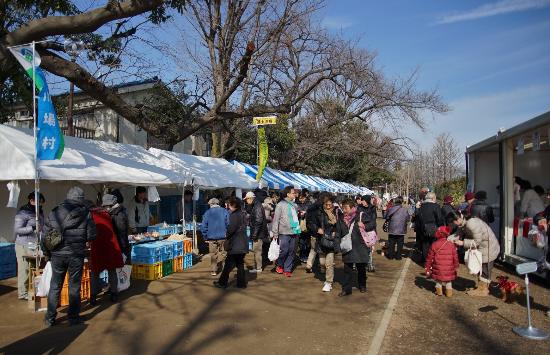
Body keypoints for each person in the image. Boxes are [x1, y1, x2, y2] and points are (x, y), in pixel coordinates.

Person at [44, 187, 96, 327]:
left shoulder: (54, 211)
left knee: (55, 285)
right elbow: (92, 235)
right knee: (74, 286)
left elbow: (45, 236)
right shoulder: (86, 213)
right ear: (81, 199)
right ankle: (73, 317)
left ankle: (50, 318)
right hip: (76, 254)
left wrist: (47, 254)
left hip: (57, 254)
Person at [449, 211, 500, 297]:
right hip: (483, 248)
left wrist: (462, 243)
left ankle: (483, 290)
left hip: (488, 248)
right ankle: (481, 287)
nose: (455, 224)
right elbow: (458, 233)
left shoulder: (471, 224)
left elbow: (477, 241)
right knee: (481, 268)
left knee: (485, 268)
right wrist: (447, 240)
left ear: (459, 218)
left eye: (454, 221)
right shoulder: (463, 223)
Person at [89, 194, 125, 305]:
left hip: (97, 245)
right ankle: (114, 294)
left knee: (95, 272)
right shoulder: (107, 215)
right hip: (110, 246)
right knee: (111, 270)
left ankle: (93, 297)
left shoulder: (91, 215)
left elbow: (89, 232)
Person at [14, 191, 45, 300]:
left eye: (41, 202)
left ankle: (32, 290)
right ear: (31, 200)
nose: (40, 204)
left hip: (34, 244)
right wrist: (32, 228)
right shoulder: (23, 213)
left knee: (34, 267)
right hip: (23, 244)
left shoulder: (39, 212)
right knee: (25, 269)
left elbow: (42, 227)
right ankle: (22, 293)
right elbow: (17, 229)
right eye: (38, 202)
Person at [337, 199, 371, 296]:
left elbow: (372, 225)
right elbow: (338, 233)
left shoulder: (361, 215)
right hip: (347, 247)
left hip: (360, 247)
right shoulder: (341, 219)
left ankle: (362, 285)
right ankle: (346, 289)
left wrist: (364, 225)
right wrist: (336, 246)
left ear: (352, 208)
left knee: (361, 268)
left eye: (346, 208)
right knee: (347, 269)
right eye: (342, 208)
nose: (344, 210)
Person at [214, 197, 248, 289]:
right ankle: (241, 283)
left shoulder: (234, 215)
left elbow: (230, 230)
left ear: (232, 205)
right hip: (242, 243)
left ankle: (222, 283)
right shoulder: (242, 213)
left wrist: (224, 233)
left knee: (228, 264)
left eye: (229, 204)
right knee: (240, 264)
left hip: (236, 244)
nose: (228, 206)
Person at [309, 195, 339, 292]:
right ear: (324, 204)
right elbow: (311, 223)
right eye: (327, 204)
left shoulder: (337, 212)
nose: (328, 206)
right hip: (321, 240)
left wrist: (336, 231)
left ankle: (328, 282)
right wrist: (317, 229)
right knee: (322, 262)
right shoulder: (319, 213)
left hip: (331, 241)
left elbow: (341, 224)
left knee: (329, 264)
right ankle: (326, 274)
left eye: (330, 204)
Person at [272, 186, 301, 277]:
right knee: (284, 250)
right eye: (293, 193)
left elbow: (295, 217)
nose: (295, 194)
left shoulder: (295, 205)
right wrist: (275, 232)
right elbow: (276, 219)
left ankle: (287, 268)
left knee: (292, 251)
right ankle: (280, 265)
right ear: (288, 194)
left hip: (294, 231)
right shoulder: (280, 205)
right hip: (283, 232)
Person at [425, 226, 459, 297]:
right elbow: (455, 257)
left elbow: (430, 257)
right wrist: (456, 265)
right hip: (449, 268)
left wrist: (427, 267)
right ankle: (449, 293)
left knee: (438, 280)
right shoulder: (451, 244)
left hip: (438, 267)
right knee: (448, 281)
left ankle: (439, 292)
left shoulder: (434, 244)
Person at [200, 198, 229, 276]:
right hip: (223, 236)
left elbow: (203, 226)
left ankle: (214, 270)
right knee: (224, 253)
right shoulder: (224, 211)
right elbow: (228, 224)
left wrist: (205, 237)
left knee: (213, 254)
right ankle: (225, 269)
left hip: (211, 237)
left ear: (210, 204)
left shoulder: (207, 213)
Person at [414, 192, 444, 262]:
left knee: (425, 245)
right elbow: (439, 218)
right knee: (434, 245)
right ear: (433, 198)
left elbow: (418, 218)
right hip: (434, 228)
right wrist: (441, 226)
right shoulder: (436, 206)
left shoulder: (422, 206)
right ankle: (433, 260)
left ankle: (426, 260)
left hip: (423, 228)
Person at [246, 192, 269, 273]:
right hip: (259, 232)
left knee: (257, 251)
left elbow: (258, 221)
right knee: (257, 251)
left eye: (246, 199)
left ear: (250, 198)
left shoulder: (257, 206)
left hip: (258, 234)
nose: (246, 201)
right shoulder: (255, 205)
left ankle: (258, 268)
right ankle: (258, 267)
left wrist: (255, 234)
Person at [107, 190, 130, 262]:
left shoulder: (118, 214)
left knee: (121, 269)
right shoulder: (119, 212)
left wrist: (123, 249)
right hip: (117, 246)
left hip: (119, 246)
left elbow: (121, 233)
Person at [385, 196, 409, 260]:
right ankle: (398, 256)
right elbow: (408, 219)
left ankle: (390, 256)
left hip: (392, 229)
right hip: (401, 230)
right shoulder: (404, 210)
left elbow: (386, 217)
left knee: (391, 243)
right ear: (402, 202)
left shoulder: (391, 209)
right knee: (400, 243)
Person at [360, 194, 378, 271]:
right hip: (360, 231)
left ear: (367, 200)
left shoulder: (372, 208)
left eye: (363, 200)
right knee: (360, 248)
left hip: (369, 231)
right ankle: (361, 264)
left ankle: (369, 264)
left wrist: (365, 226)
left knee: (369, 248)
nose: (362, 202)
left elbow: (373, 222)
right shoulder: (359, 208)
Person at [296, 193, 312, 263]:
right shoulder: (296, 204)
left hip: (307, 225)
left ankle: (307, 255)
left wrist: (306, 213)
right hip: (299, 225)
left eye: (303, 198)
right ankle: (302, 255)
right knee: (301, 242)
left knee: (307, 241)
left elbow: (312, 213)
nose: (301, 200)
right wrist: (299, 214)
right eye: (300, 198)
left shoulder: (309, 204)